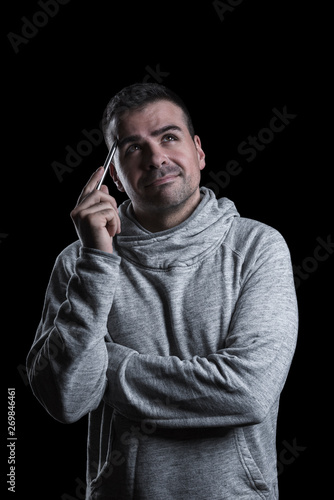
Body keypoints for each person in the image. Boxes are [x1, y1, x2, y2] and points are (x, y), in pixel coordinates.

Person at [27, 83, 298, 499]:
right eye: (133, 147)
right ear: (113, 174)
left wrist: (110, 369)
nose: (156, 158)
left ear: (199, 151)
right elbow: (67, 400)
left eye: (169, 137)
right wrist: (98, 261)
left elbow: (247, 393)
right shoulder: (79, 261)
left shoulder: (257, 247)